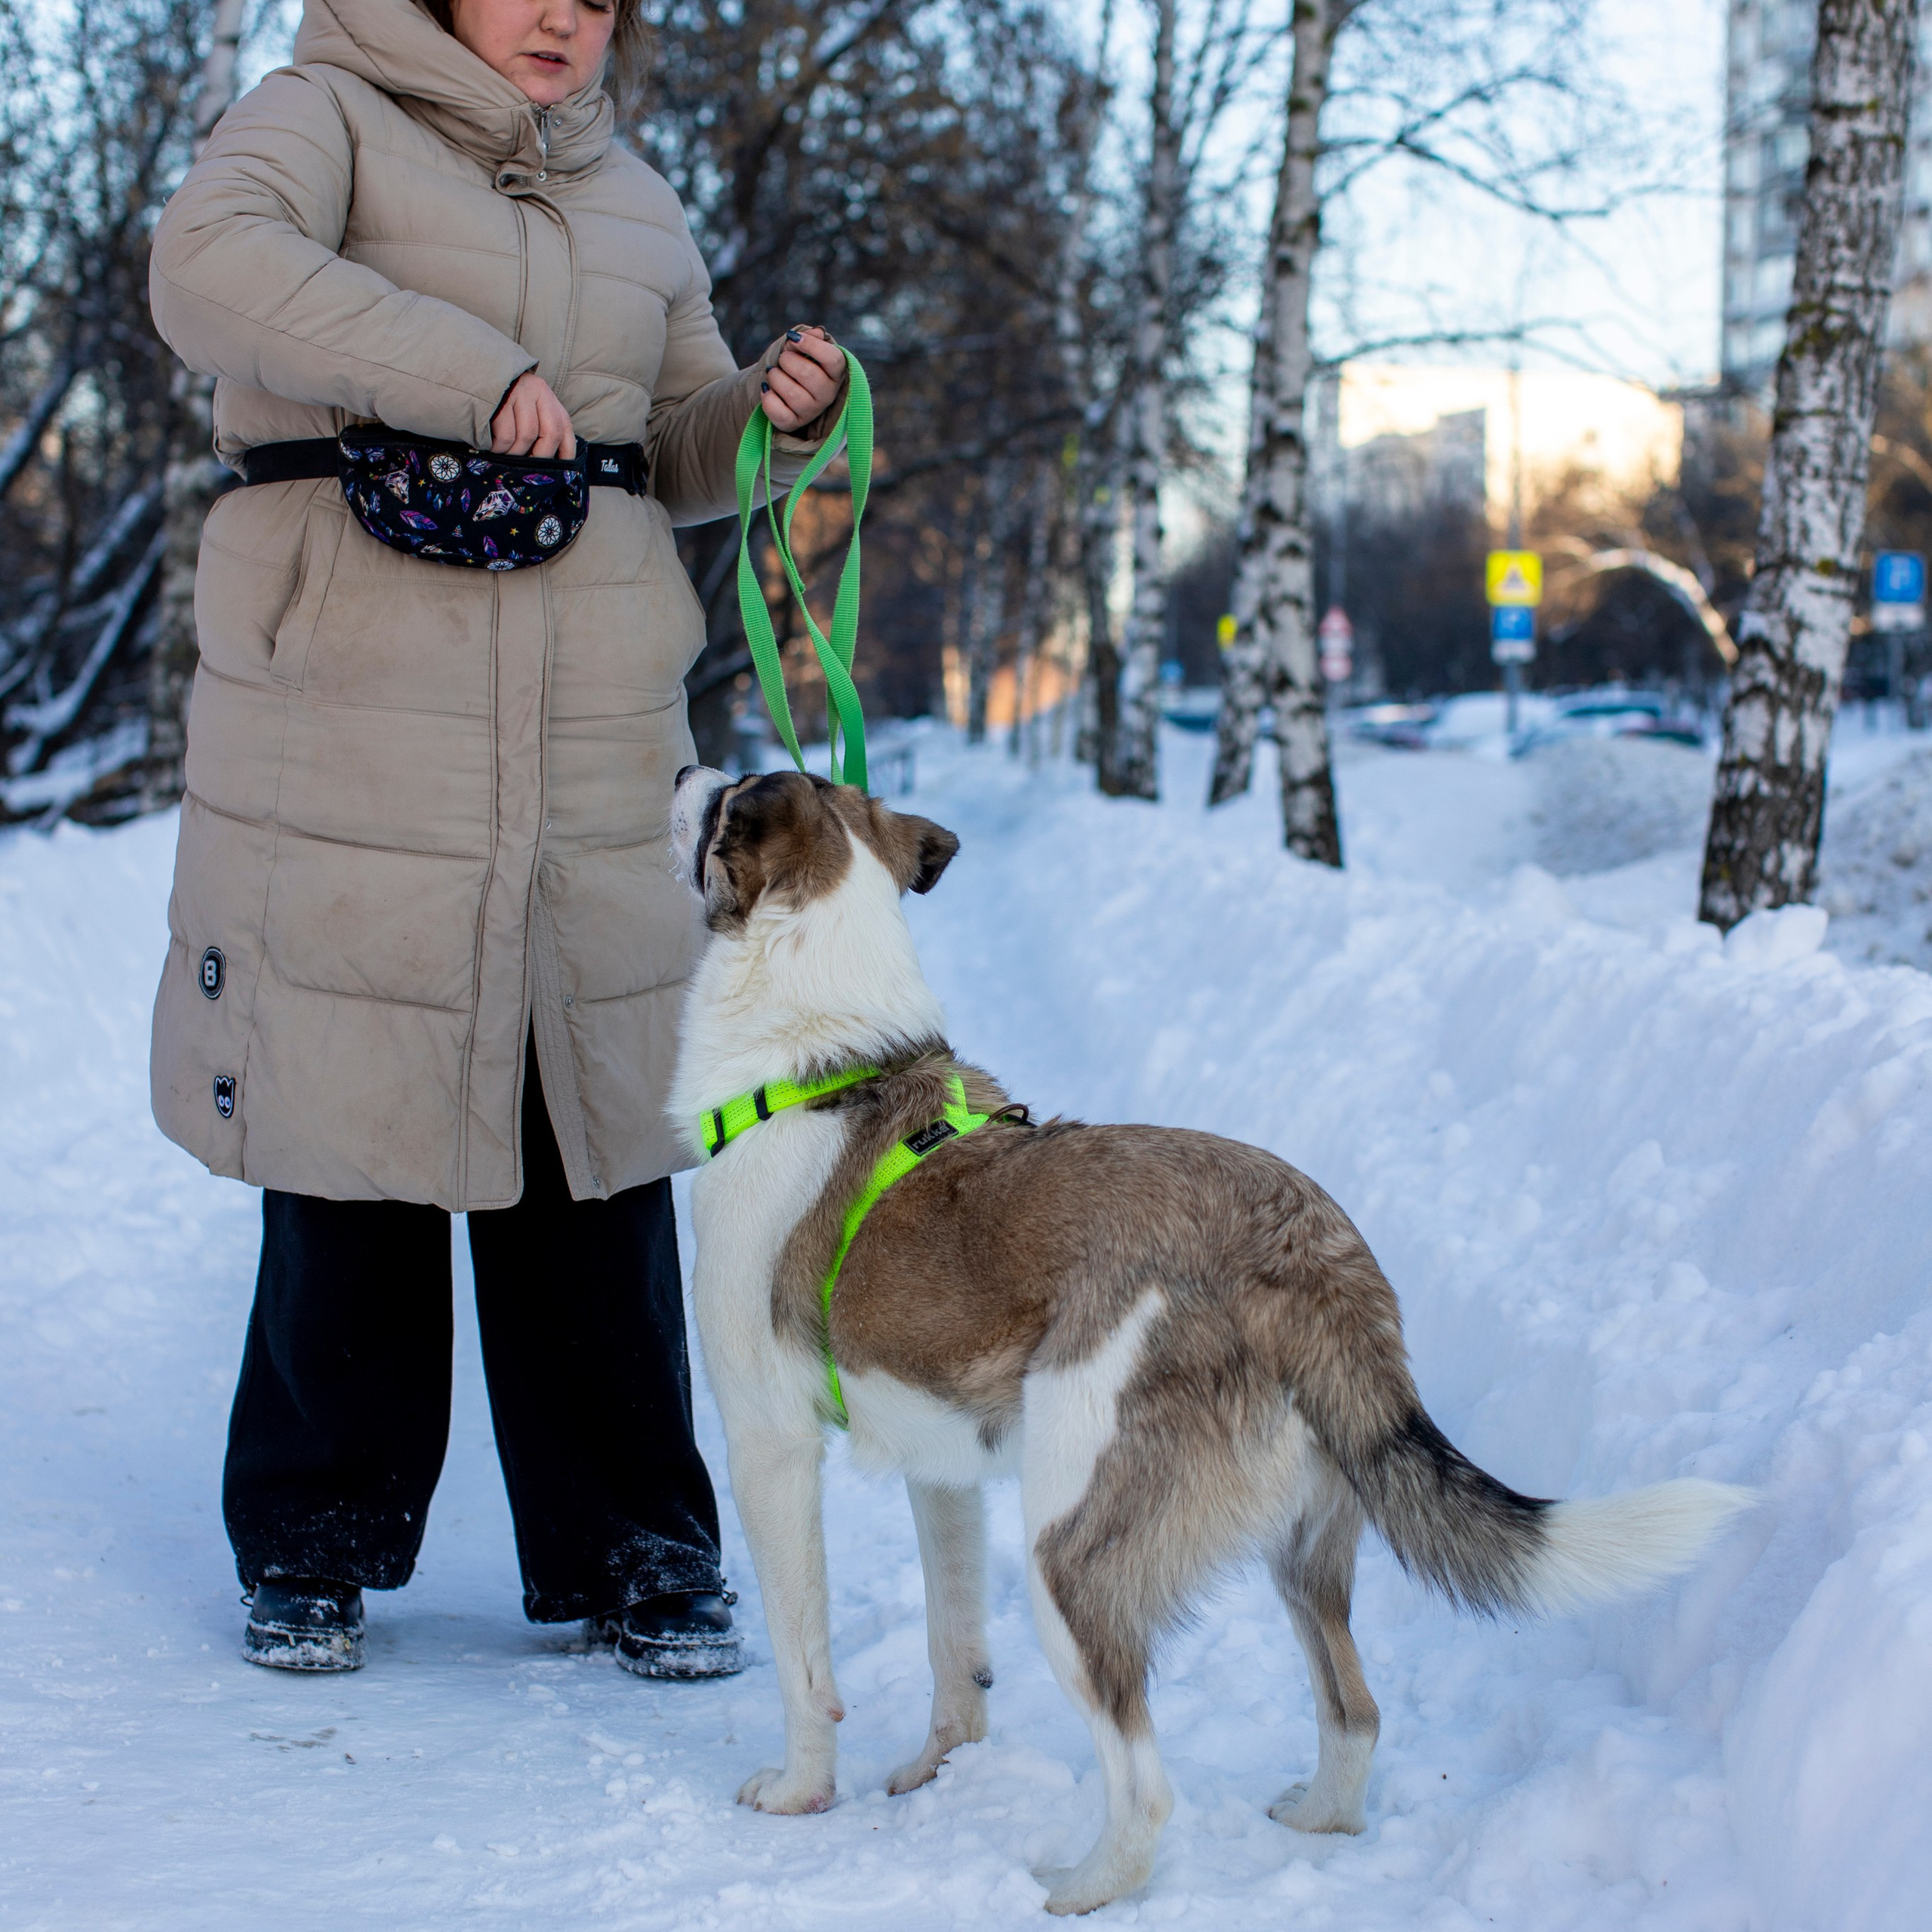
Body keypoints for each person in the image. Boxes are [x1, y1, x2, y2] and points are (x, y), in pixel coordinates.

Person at [146, 0, 846, 1676]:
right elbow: (206, 265)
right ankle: (311, 1533)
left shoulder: (633, 191)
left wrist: (771, 416)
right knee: (351, 1100)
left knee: (586, 1129)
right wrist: (467, 372)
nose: (567, 19)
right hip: (356, 695)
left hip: (590, 708)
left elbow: (669, 446)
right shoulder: (321, 111)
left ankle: (639, 1545)